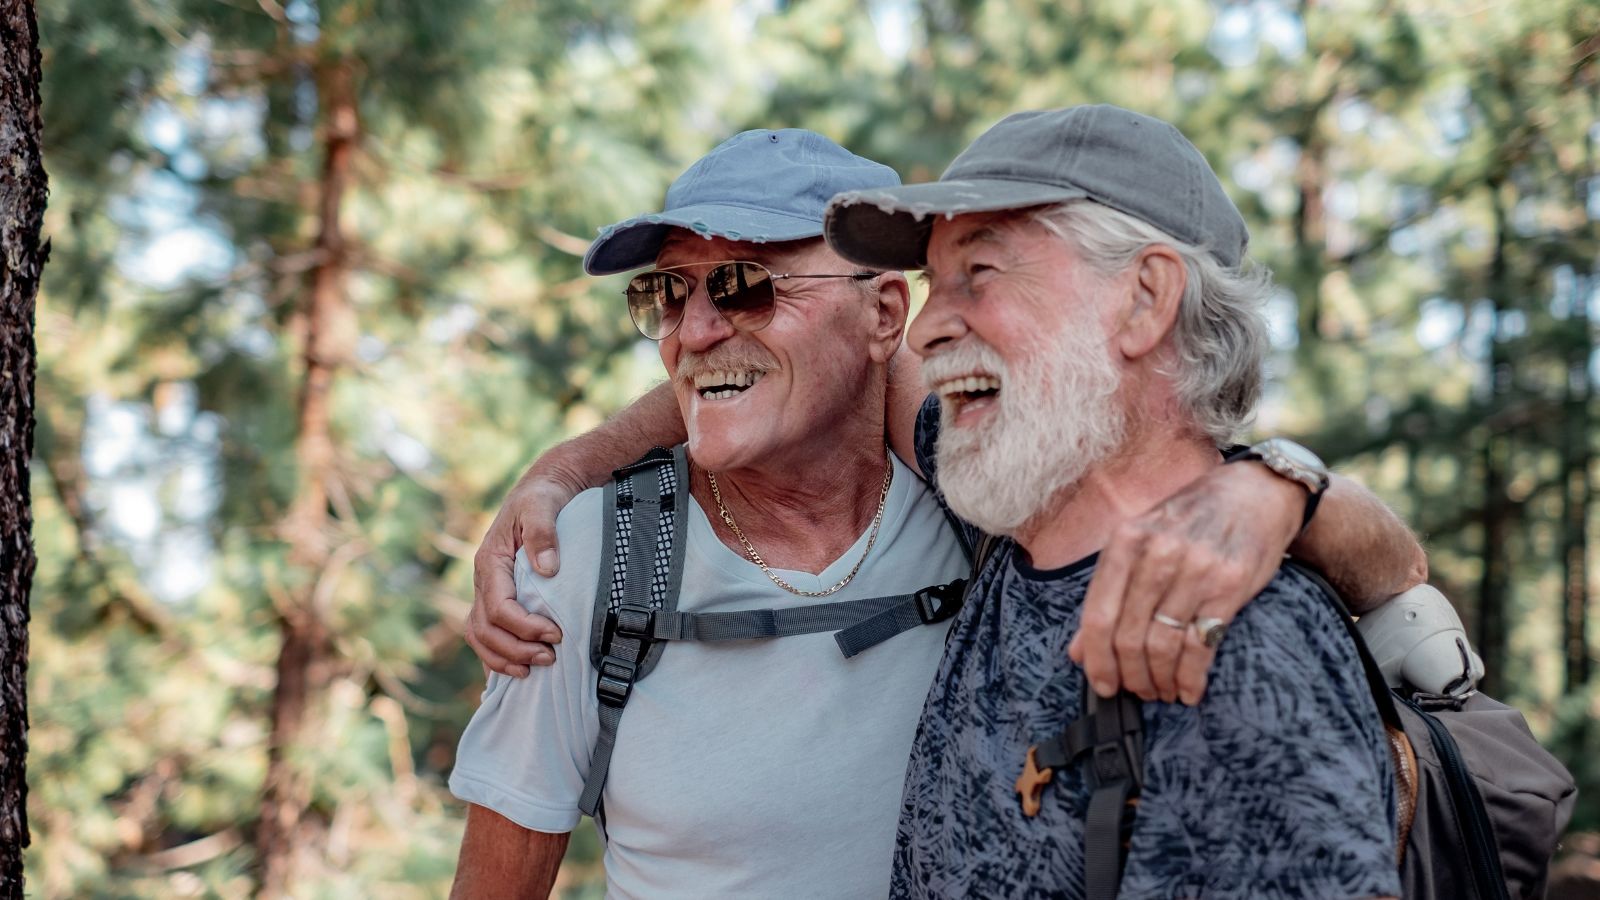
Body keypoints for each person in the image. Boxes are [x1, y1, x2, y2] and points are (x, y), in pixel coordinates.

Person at [449, 126, 1423, 899]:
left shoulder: (1196, 621)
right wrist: (563, 470)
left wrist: (1285, 487)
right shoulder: (994, 513)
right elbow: (765, 377)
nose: (929, 321)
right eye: (665, 294)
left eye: (979, 275)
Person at [823, 103, 1403, 897]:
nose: (924, 332)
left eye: (979, 273)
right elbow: (829, 365)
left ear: (1144, 299)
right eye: (931, 284)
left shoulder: (1236, 648)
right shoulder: (1013, 494)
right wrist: (588, 463)